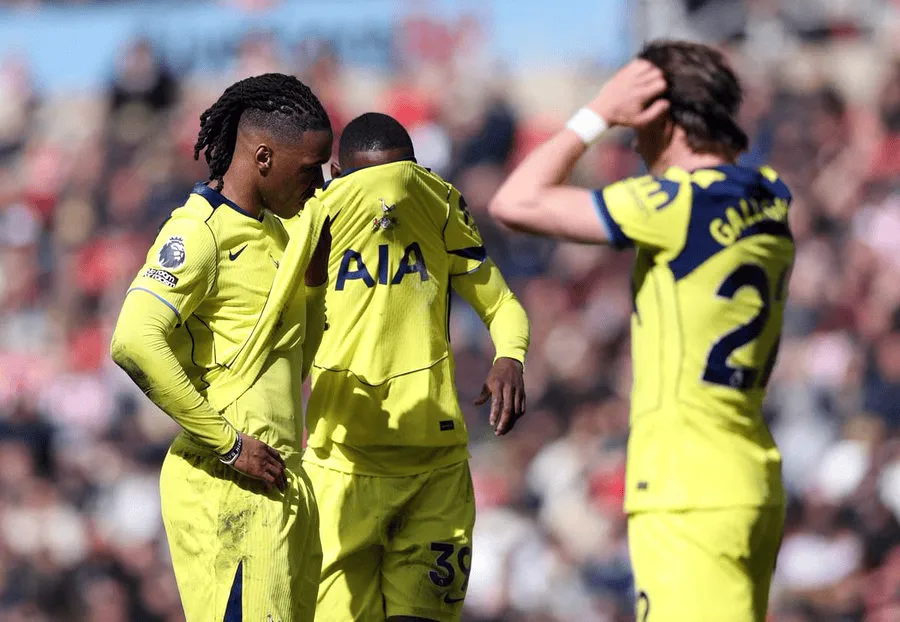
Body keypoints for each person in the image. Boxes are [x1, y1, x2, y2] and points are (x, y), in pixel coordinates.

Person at [489, 41, 792, 622]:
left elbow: (515, 201)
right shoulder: (770, 195)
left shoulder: (675, 204)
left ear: (663, 117)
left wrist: (597, 112)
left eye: (635, 126)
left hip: (685, 488)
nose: (631, 143)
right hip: (750, 473)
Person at [110, 73, 333, 621]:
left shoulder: (281, 237)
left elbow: (293, 368)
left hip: (278, 479)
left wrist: (314, 283)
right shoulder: (198, 232)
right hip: (229, 483)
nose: (317, 184)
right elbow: (134, 340)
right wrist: (229, 445)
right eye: (309, 169)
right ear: (263, 157)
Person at [302, 112, 530, 622]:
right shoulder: (314, 221)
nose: (389, 196)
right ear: (337, 173)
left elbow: (501, 305)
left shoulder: (439, 208)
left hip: (434, 471)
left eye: (402, 177)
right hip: (341, 469)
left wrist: (510, 356)